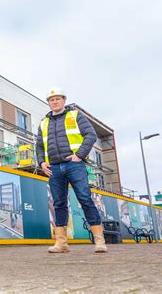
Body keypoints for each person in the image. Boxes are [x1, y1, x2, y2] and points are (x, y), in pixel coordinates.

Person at [36, 88, 107, 253]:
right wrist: (41, 162)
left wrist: (80, 155)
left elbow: (90, 134)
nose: (55, 102)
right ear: (48, 102)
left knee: (85, 199)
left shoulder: (75, 115)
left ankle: (99, 241)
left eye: (58, 99)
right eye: (51, 99)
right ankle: (61, 243)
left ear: (64, 100)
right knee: (58, 203)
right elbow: (39, 145)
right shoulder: (43, 122)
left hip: (74, 164)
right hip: (54, 168)